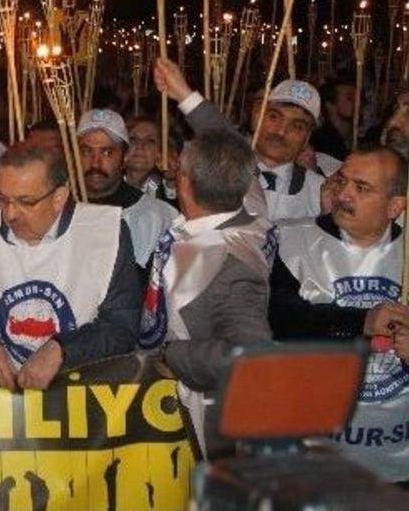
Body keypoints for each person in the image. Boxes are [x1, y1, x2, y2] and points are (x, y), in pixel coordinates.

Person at [270, 146, 409, 482]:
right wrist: (360, 322)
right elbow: (280, 319)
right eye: (342, 180)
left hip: (396, 459)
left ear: (396, 206)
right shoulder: (294, 240)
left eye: (362, 188)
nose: (343, 193)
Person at [0, 142, 140, 390]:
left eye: (25, 201)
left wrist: (62, 349)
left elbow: (122, 326)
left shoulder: (105, 232)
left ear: (59, 198)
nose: (10, 214)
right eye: (4, 199)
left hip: (79, 399)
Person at [138, 129, 276, 456]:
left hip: (207, 424)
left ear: (184, 183)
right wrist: (183, 93)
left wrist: (171, 354)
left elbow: (249, 359)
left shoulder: (230, 264)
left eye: (179, 170)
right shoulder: (251, 214)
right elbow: (235, 151)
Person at [154, 57, 318, 222]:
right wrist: (183, 92)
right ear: (257, 116)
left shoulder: (318, 190)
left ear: (307, 138)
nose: (282, 131)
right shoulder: (213, 171)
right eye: (274, 117)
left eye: (297, 126)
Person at [77, 109, 176, 267]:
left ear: (125, 157)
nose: (95, 163)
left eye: (107, 152)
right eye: (86, 151)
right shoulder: (54, 210)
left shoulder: (157, 216)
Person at [311, 77, 356, 162]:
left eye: (358, 97)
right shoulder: (321, 142)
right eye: (350, 98)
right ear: (330, 104)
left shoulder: (360, 138)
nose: (357, 101)